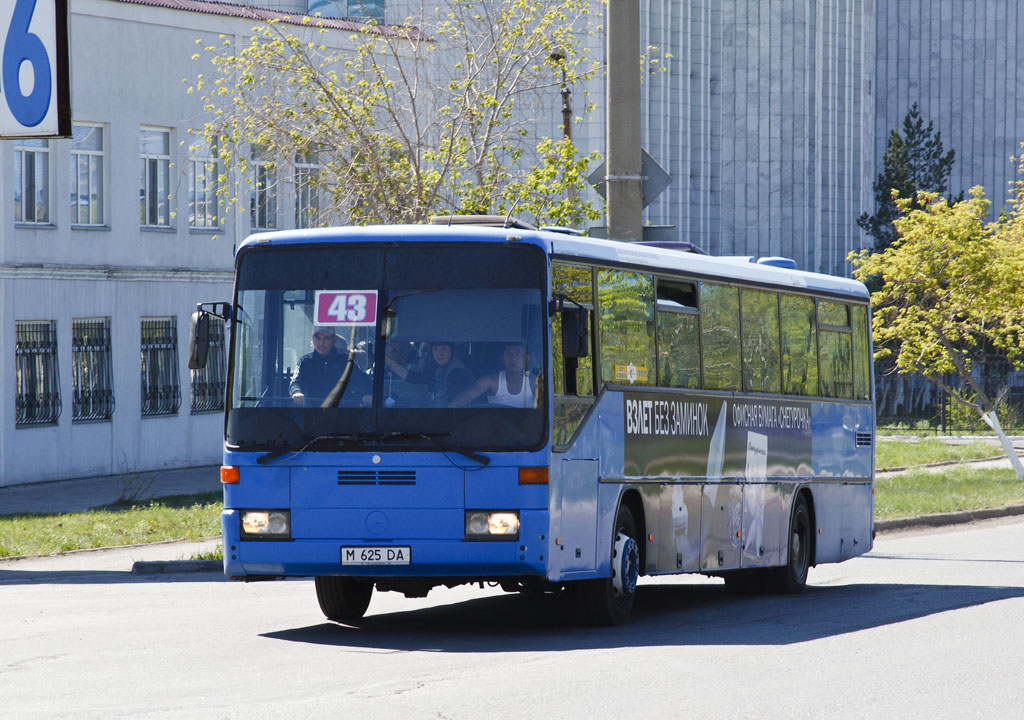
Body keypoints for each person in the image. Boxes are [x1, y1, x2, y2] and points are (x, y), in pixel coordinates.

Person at [290, 326, 371, 406]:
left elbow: (361, 379)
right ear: (312, 339)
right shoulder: (305, 361)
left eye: (326, 338)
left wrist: (366, 393)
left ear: (334, 339)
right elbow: (295, 382)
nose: (321, 343)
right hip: (314, 413)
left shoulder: (345, 359)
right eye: (318, 338)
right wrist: (297, 392)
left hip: (343, 413)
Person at [384, 341, 471, 407]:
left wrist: (389, 362)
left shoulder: (458, 372)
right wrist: (388, 361)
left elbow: (452, 404)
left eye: (444, 349)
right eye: (435, 349)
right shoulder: (440, 369)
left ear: (452, 351)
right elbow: (414, 378)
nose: (439, 353)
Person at [451, 343, 536, 408]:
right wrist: (451, 408)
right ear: (502, 358)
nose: (513, 358)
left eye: (517, 354)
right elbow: (467, 396)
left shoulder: (534, 383)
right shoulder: (490, 381)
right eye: (509, 354)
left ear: (526, 359)